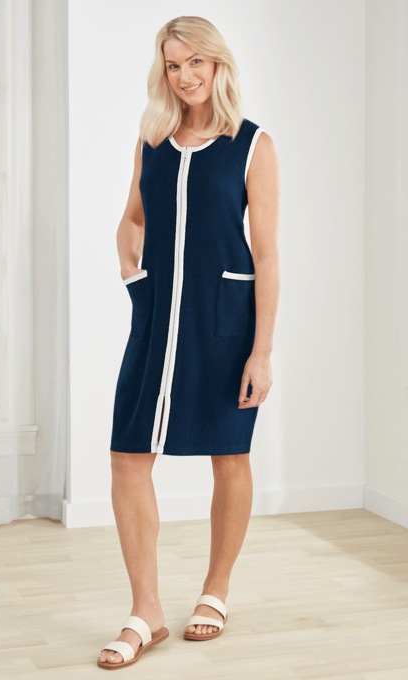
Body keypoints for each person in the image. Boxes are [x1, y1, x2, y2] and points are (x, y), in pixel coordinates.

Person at [97, 15, 280, 670]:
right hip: (156, 321)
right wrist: (133, 275)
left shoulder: (252, 145)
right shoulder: (151, 140)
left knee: (229, 455)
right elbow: (132, 219)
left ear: (217, 64)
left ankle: (215, 590)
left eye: (196, 62)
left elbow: (268, 254)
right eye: (174, 65)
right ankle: (145, 611)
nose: (185, 76)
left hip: (223, 323)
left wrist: (261, 351)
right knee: (128, 457)